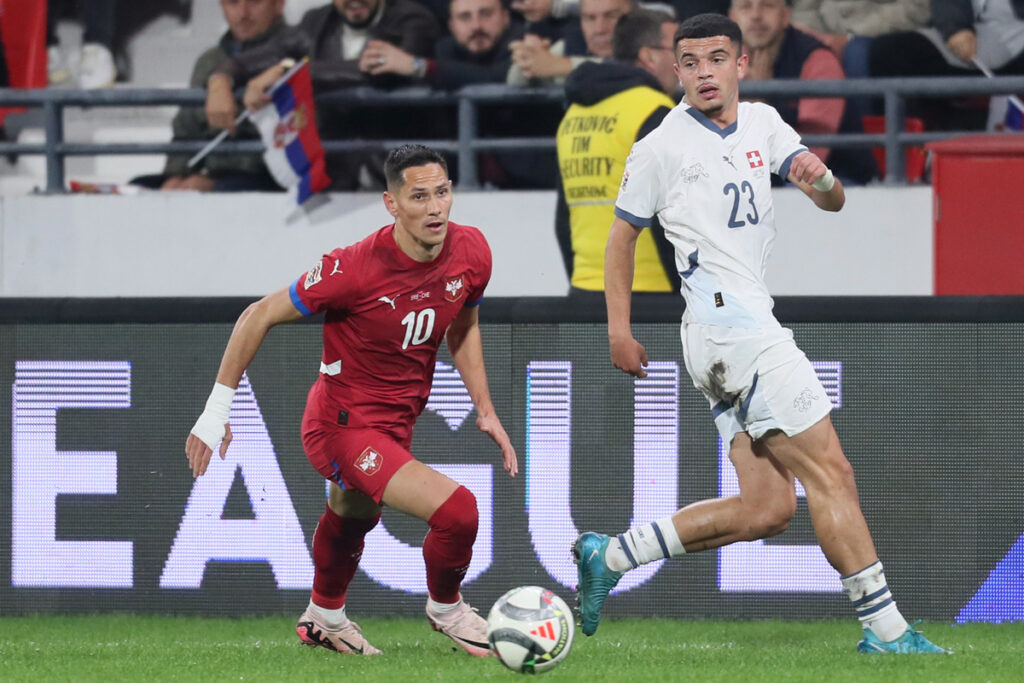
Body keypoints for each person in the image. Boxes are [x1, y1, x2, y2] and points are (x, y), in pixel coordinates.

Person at [572, 13, 948, 655]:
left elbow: (829, 196)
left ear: (741, 64)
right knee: (832, 471)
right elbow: (621, 237)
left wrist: (821, 182)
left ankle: (612, 554)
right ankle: (885, 631)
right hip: (731, 327)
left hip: (727, 331)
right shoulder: (660, 146)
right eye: (688, 62)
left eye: (716, 58)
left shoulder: (765, 122)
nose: (703, 73)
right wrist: (618, 330)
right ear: (675, 69)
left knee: (768, 507)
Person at [185, 144, 518, 657]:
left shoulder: (472, 251)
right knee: (459, 512)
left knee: (354, 517)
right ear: (391, 203)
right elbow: (258, 314)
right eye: (419, 196)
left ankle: (324, 616)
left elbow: (463, 326)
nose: (435, 208)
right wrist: (215, 411)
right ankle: (448, 609)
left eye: (443, 192)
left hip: (395, 422)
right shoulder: (353, 269)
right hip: (340, 425)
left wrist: (486, 407)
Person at [206, 0, 442, 189]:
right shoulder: (317, 21)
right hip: (334, 176)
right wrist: (220, 81)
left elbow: (381, 72)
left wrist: (291, 71)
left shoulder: (413, 19)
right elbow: (262, 56)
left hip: (399, 177)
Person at [555, 9, 681, 296]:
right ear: (649, 56)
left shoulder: (573, 116)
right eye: (677, 50)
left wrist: (583, 281)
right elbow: (670, 217)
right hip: (650, 290)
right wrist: (683, 289)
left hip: (585, 288)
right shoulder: (656, 112)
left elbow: (563, 218)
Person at [141, 0, 287, 193]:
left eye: (254, 1)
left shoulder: (296, 52)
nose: (243, 13)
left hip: (272, 177)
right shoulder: (208, 61)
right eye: (232, 3)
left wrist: (206, 185)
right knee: (136, 187)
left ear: (278, 4)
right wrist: (175, 177)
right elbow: (186, 130)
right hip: (215, 175)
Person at [730, 0, 877, 184]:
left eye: (767, 5)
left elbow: (808, 161)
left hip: (838, 181)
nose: (756, 15)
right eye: (745, 7)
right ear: (733, 18)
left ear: (786, 16)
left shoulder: (818, 60)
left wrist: (759, 104)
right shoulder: (723, 61)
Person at [507, 0, 634, 85]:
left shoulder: (647, 40)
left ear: (635, 14)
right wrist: (527, 58)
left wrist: (565, 66)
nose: (599, 29)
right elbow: (514, 83)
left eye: (611, 16)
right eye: (590, 18)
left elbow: (635, 69)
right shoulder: (571, 43)